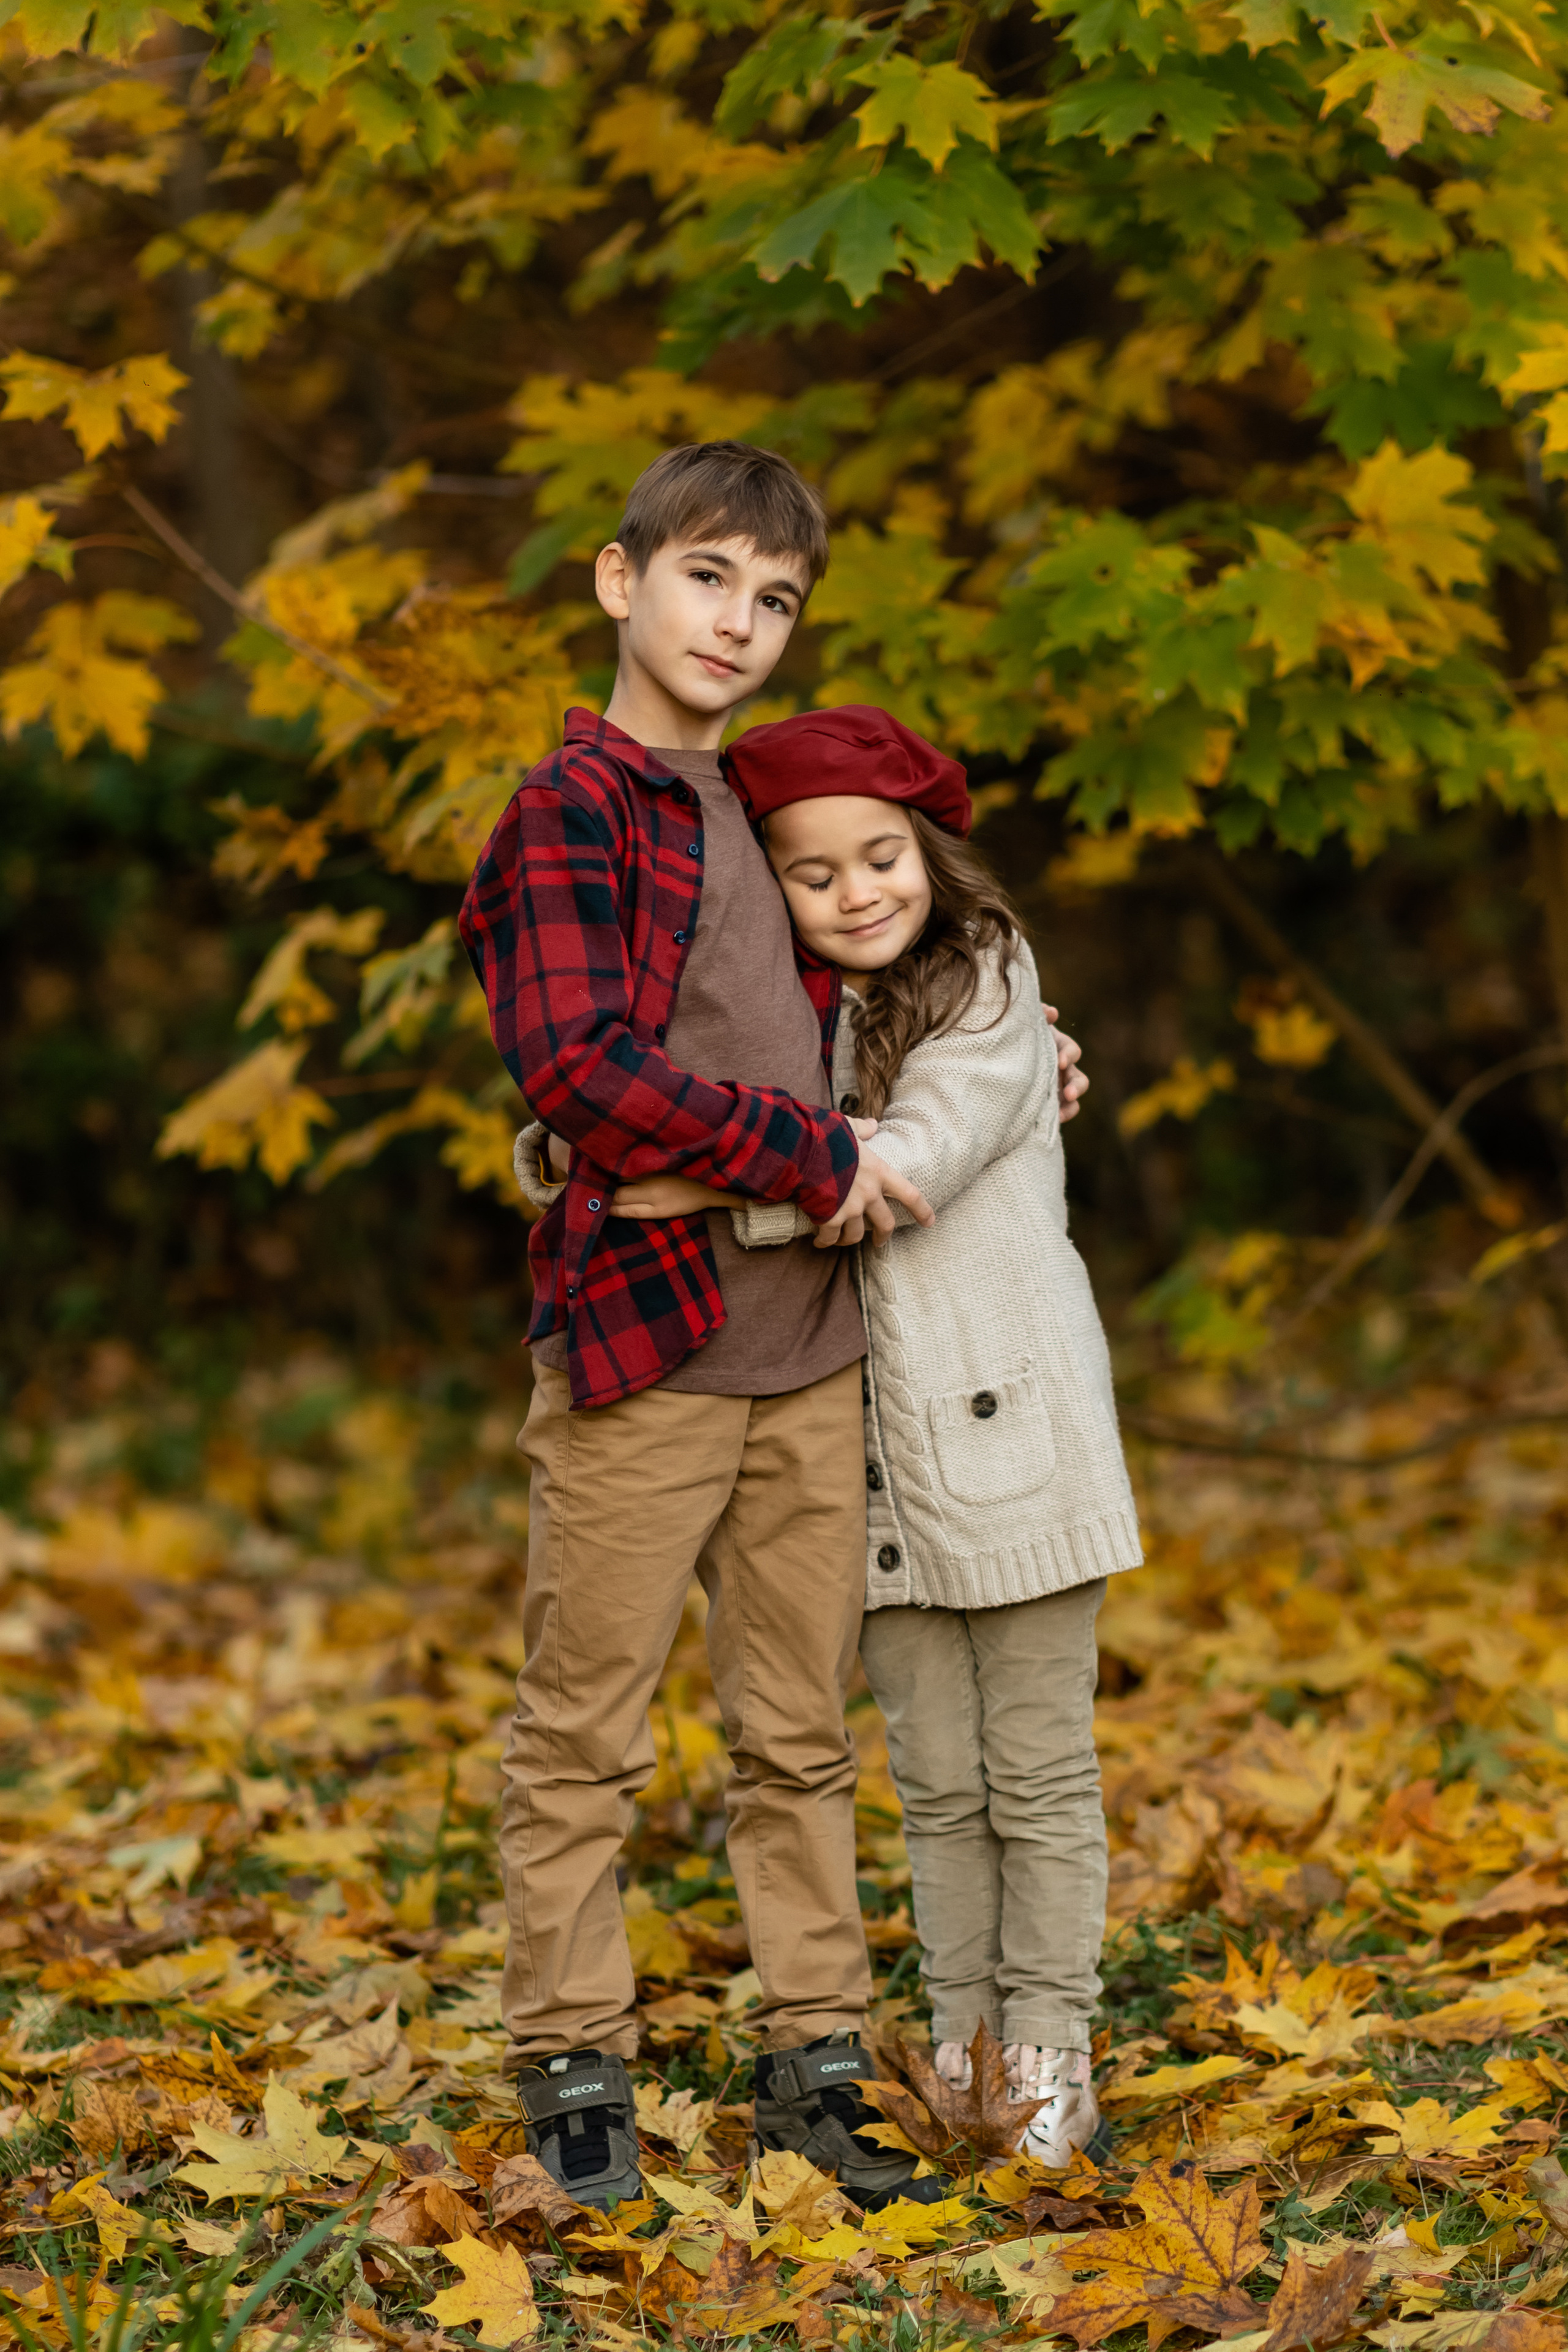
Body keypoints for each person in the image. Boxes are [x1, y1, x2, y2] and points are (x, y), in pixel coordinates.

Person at [463, 441, 1042, 2214]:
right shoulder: (569, 811)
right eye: (708, 577)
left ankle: (811, 2051)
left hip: (816, 1345)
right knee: (587, 1728)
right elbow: (577, 1067)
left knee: (797, 1728)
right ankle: (574, 2057)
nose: (740, 622)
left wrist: (1018, 1065)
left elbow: (903, 962)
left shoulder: (777, 803)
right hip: (649, 1347)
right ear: (617, 582)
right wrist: (810, 1154)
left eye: (776, 599)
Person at [598, 704, 1142, 2170]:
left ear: (930, 851)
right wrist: (582, 1156)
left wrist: (717, 1198)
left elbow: (899, 1166)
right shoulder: (797, 1021)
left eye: (881, 856)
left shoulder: (987, 986)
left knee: (1034, 1775)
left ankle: (1050, 2048)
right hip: (874, 1471)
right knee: (936, 1780)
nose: (857, 893)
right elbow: (649, 1098)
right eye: (815, 872)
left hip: (1015, 1441)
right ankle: (964, 2039)